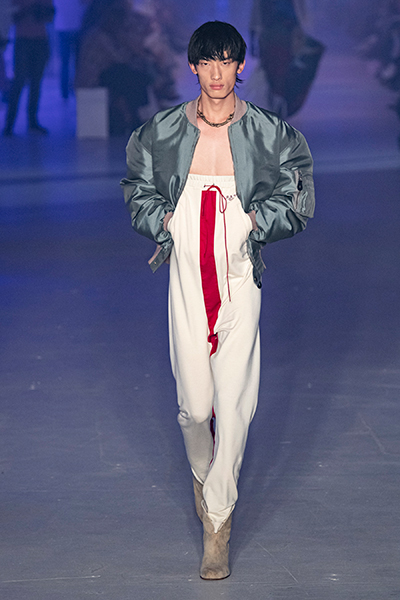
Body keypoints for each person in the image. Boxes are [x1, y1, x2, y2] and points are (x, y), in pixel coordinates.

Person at [121, 21, 315, 580]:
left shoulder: (269, 133)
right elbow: (136, 184)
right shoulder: (162, 131)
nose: (216, 73)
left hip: (240, 276)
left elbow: (299, 191)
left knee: (234, 406)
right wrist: (163, 221)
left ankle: (218, 522)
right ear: (193, 66)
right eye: (207, 62)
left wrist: (254, 221)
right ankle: (204, 477)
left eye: (226, 61)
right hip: (186, 277)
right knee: (193, 408)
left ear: (240, 66)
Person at [3, 0, 55, 136]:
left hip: (38, 40)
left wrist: (35, 10)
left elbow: (50, 16)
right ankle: (11, 123)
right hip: (25, 40)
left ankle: (30, 121)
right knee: (19, 82)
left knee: (34, 83)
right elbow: (11, 15)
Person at [53, 0, 85, 99]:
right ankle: (77, 89)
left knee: (64, 63)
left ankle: (64, 92)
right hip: (78, 27)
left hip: (62, 28)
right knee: (79, 62)